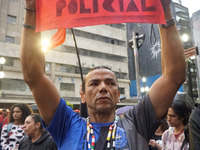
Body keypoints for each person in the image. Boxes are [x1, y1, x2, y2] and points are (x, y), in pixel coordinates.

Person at [20, 0, 186, 149]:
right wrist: (31, 11)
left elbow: (174, 77)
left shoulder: (137, 122)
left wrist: (165, 14)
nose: (103, 88)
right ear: (82, 96)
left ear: (118, 95)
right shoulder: (66, 124)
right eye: (94, 83)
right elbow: (34, 77)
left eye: (110, 83)